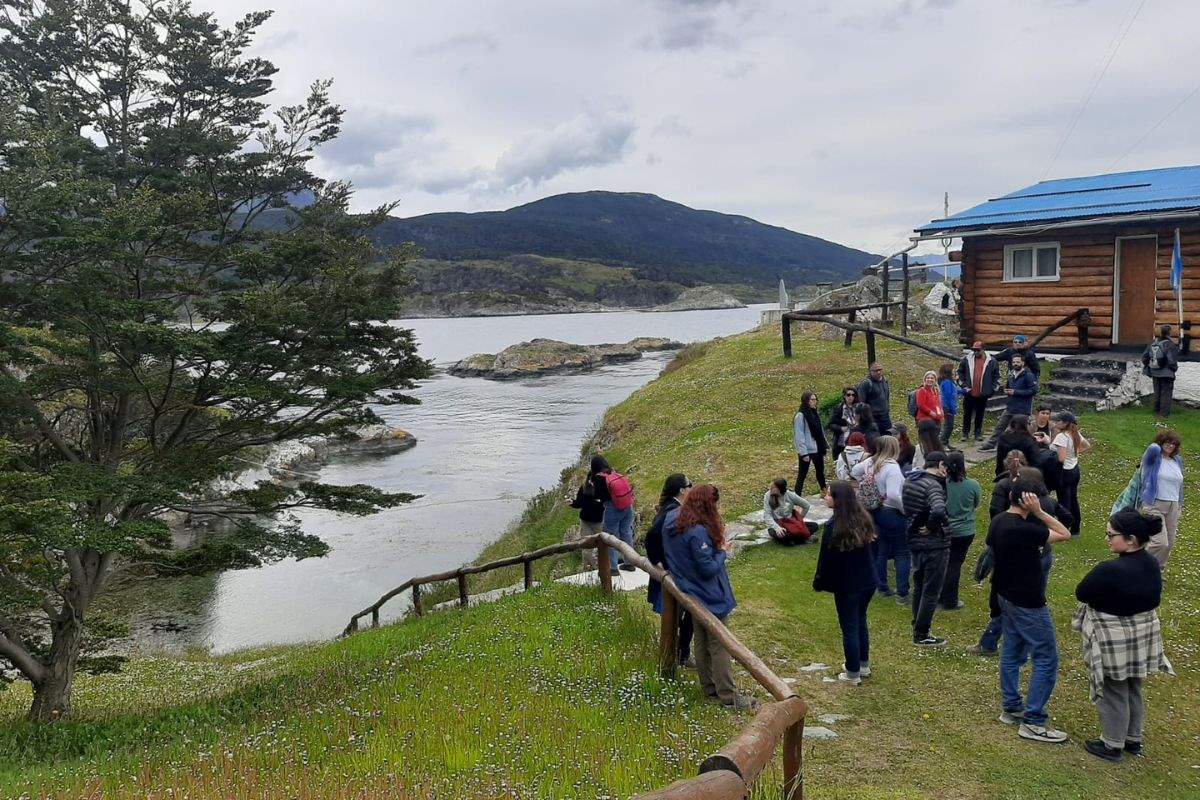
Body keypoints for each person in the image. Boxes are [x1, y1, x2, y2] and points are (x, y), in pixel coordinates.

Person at [1073, 510, 1173, 762]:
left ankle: (1112, 744)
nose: (1107, 539)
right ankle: (1133, 739)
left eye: (1111, 535)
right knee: (1133, 686)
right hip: (1142, 632)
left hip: (1114, 635)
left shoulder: (1111, 569)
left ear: (1130, 539)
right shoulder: (1151, 563)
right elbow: (1154, 598)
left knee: (1113, 688)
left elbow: (1082, 592)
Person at [989, 478, 1072, 744]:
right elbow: (1064, 533)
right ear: (1030, 500)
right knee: (1046, 657)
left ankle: (1011, 707)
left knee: (1012, 652)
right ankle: (1034, 721)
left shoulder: (999, 520)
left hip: (1006, 594)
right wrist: (1039, 512)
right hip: (1028, 601)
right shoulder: (1025, 529)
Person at [662, 484, 757, 711]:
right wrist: (723, 551)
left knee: (701, 640)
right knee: (720, 642)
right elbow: (707, 568)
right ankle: (729, 696)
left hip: (688, 589)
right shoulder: (698, 533)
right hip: (708, 592)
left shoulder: (671, 520)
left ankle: (709, 688)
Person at [972, 467, 1073, 657]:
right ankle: (1016, 643)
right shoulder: (1048, 502)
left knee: (1017, 605)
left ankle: (995, 642)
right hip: (1042, 554)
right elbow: (1067, 519)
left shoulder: (1020, 516)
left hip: (1021, 561)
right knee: (1032, 599)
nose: (1014, 480)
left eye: (1018, 478)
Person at [813, 481, 878, 685]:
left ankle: (852, 672)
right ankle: (863, 664)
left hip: (848, 585)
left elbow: (826, 559)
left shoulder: (835, 526)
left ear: (838, 499)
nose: (826, 497)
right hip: (868, 580)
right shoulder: (863, 518)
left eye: (829, 495)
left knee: (849, 625)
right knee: (860, 620)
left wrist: (819, 581)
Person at [1112, 430, 1184, 568]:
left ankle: (1157, 569)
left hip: (1173, 505)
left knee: (1169, 543)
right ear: (1161, 443)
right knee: (1159, 542)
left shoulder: (1177, 461)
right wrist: (1159, 444)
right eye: (1167, 443)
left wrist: (1180, 504)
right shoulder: (1153, 459)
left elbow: (1179, 485)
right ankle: (1133, 562)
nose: (1170, 446)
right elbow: (1152, 449)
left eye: (1174, 444)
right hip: (1153, 503)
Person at [901, 450, 950, 646]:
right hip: (935, 543)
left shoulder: (911, 480)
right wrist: (931, 526)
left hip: (914, 539)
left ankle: (917, 623)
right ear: (939, 465)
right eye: (945, 466)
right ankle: (922, 633)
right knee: (931, 589)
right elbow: (938, 509)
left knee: (919, 584)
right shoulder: (933, 486)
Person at [852, 435, 908, 603]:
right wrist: (905, 510)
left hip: (874, 511)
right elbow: (893, 495)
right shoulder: (892, 468)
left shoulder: (870, 463)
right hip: (891, 512)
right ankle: (902, 593)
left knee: (881, 550)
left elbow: (855, 471)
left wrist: (866, 483)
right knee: (902, 553)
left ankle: (882, 586)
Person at [645, 474, 694, 668]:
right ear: (682, 490)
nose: (692, 488)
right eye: (690, 485)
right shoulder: (673, 511)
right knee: (684, 611)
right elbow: (652, 536)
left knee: (682, 612)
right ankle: (678, 654)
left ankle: (677, 652)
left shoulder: (670, 508)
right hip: (674, 571)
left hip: (672, 569)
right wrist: (661, 562)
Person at [941, 451, 981, 612]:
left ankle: (938, 595)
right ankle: (950, 600)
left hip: (945, 528)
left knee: (943, 563)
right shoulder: (972, 485)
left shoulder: (942, 484)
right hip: (965, 530)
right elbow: (976, 503)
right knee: (955, 565)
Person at [981, 353, 1038, 451]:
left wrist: (1016, 392)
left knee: (1020, 430)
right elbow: (1008, 386)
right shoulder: (1011, 374)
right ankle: (991, 444)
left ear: (1023, 363)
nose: (1015, 364)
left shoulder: (1029, 376)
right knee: (1000, 426)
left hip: (1023, 409)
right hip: (1010, 406)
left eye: (1018, 362)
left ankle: (1023, 447)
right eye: (1014, 362)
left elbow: (1033, 391)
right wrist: (1006, 390)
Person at [590, 455, 636, 572]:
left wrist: (593, 487)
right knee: (626, 533)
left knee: (611, 537)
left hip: (613, 508)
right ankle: (629, 563)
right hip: (628, 506)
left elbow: (598, 497)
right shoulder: (614, 473)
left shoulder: (599, 478)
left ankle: (613, 567)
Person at [1051, 411, 1089, 537]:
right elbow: (1086, 445)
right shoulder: (1075, 433)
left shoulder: (1061, 437)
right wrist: (1075, 453)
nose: (1056, 423)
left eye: (1059, 421)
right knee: (1073, 499)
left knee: (1064, 501)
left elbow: (1061, 458)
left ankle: (1064, 528)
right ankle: (1076, 529)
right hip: (1075, 469)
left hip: (1065, 472)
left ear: (1065, 423)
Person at [958, 341, 1000, 442]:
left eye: (978, 350)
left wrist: (993, 389)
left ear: (983, 349)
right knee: (967, 414)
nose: (975, 352)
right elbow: (960, 372)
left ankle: (977, 433)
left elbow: (996, 376)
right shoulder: (967, 359)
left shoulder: (992, 361)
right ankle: (965, 433)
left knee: (980, 414)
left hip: (983, 393)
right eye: (974, 350)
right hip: (969, 392)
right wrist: (963, 385)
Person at [1141, 324, 1180, 418]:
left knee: (1157, 393)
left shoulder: (1153, 343)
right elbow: (1171, 361)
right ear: (1169, 333)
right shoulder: (1170, 345)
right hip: (1167, 373)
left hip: (1155, 372)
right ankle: (1163, 414)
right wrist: (1174, 369)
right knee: (1166, 393)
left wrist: (1150, 367)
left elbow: (1144, 357)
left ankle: (1156, 411)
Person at [793, 392, 829, 495]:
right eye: (812, 400)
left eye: (815, 399)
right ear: (806, 401)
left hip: (817, 447)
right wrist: (803, 453)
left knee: (820, 471)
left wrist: (824, 444)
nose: (814, 402)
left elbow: (820, 431)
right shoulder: (801, 416)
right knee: (802, 474)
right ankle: (797, 495)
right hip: (807, 449)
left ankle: (823, 489)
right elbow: (799, 435)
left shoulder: (814, 413)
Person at [763, 477, 814, 545]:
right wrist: (777, 528)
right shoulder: (768, 496)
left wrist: (800, 519)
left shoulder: (790, 495)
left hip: (790, 523)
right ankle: (801, 539)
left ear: (779, 489)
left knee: (814, 526)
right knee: (783, 535)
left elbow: (806, 505)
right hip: (777, 524)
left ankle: (794, 540)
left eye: (773, 487)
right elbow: (767, 515)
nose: (770, 489)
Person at [995, 415, 1040, 479]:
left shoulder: (1003, 438)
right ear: (1025, 425)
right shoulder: (1029, 441)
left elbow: (999, 459)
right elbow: (1036, 462)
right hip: (1026, 475)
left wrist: (999, 475)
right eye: (1029, 423)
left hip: (1006, 473)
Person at [857, 362, 893, 435]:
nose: (878, 372)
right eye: (875, 370)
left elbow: (887, 396)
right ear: (870, 371)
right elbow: (861, 402)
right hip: (873, 418)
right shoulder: (866, 383)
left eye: (880, 369)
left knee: (888, 437)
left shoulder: (885, 381)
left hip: (885, 416)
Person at [827, 386, 860, 460]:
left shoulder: (859, 408)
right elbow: (830, 424)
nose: (850, 397)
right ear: (844, 396)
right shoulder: (839, 409)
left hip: (856, 443)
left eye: (853, 395)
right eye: (848, 395)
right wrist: (840, 428)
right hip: (842, 442)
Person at [938, 362, 959, 447]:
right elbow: (948, 397)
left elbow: (954, 392)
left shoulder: (949, 382)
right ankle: (942, 443)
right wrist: (952, 409)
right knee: (948, 426)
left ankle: (946, 442)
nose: (955, 372)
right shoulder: (947, 382)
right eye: (953, 370)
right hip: (947, 407)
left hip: (948, 406)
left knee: (949, 426)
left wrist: (963, 391)